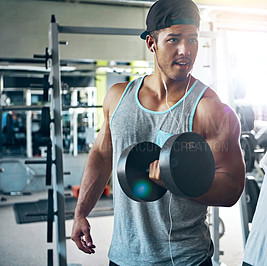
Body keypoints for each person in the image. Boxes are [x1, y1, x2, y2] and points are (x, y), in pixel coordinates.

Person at [71, 0, 245, 265]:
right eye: (173, 39)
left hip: (186, 259)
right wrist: (81, 212)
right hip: (123, 256)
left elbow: (232, 189)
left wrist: (176, 181)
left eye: (193, 39)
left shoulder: (210, 109)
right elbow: (101, 154)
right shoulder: (118, 97)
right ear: (151, 43)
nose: (185, 50)